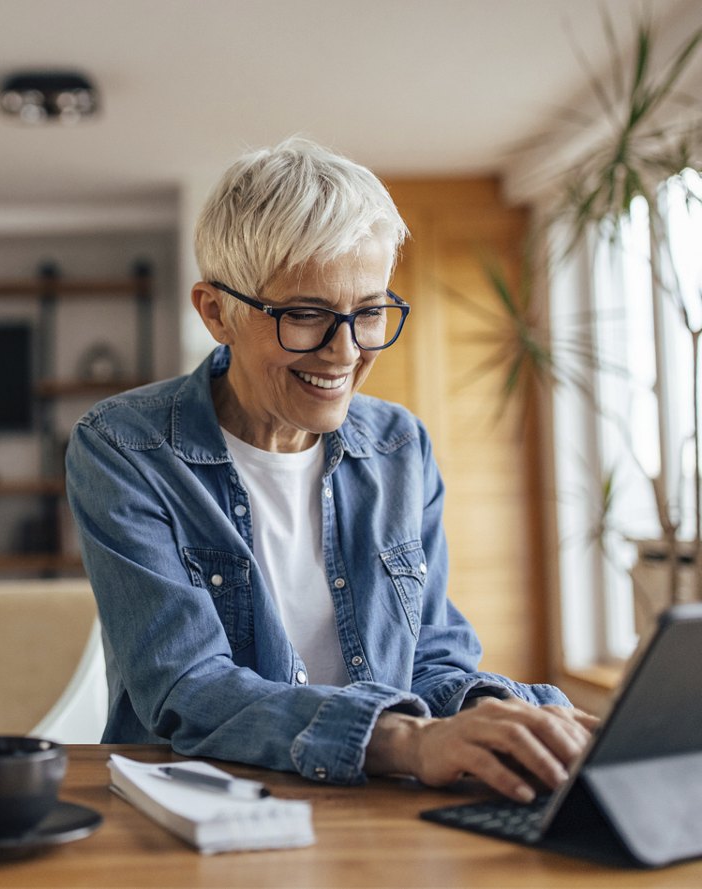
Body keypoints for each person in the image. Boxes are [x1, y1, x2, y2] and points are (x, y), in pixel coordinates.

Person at [65, 137, 597, 803]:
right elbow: (188, 687)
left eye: (369, 311)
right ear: (215, 311)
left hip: (377, 805)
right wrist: (406, 741)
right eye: (306, 314)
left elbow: (432, 657)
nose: (345, 351)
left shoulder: (401, 446)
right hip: (201, 811)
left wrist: (503, 717)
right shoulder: (125, 447)